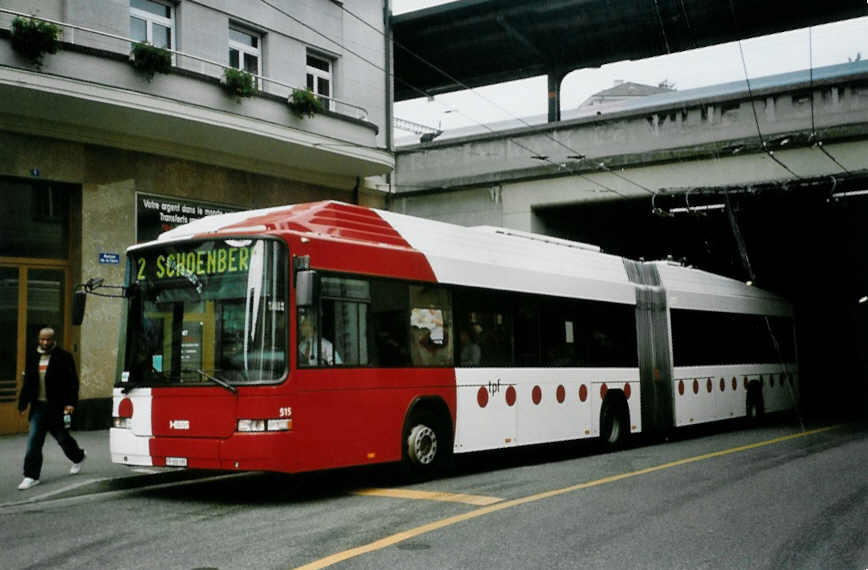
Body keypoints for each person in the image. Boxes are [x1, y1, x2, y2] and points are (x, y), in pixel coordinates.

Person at [17, 327, 86, 490]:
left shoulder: (64, 357)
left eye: (48, 339)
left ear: (54, 340)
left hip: (56, 406)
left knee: (63, 439)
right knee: (34, 441)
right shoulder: (33, 356)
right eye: (42, 339)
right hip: (38, 408)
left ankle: (78, 457)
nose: (45, 342)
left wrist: (70, 404)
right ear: (39, 339)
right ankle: (31, 476)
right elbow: (28, 382)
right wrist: (23, 403)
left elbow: (72, 383)